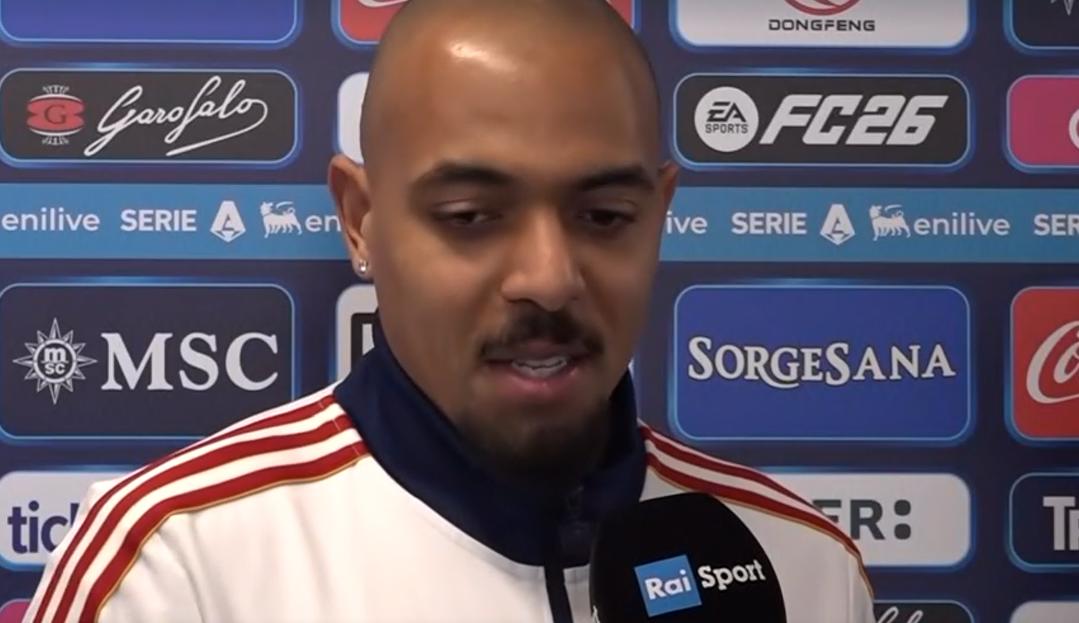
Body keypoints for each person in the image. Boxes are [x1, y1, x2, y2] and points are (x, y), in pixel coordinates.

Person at [24, 1, 875, 621]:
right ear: (360, 220)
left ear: (658, 214)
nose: (548, 278)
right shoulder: (175, 560)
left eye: (603, 216)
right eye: (470, 217)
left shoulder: (800, 562)